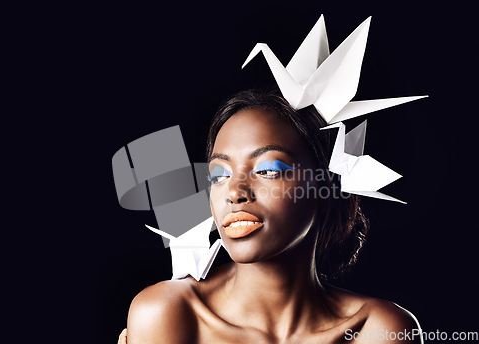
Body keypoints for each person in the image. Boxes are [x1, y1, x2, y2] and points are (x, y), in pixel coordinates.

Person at [118, 89, 423, 343]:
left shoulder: (379, 330)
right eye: (218, 175)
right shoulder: (167, 312)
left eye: (268, 169)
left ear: (328, 188)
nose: (235, 192)